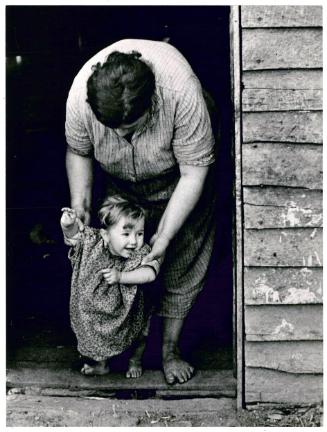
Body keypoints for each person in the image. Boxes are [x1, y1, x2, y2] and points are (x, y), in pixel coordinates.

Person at [65, 39, 217, 384]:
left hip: (181, 177)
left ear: (152, 104)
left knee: (182, 255)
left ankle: (170, 350)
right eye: (112, 130)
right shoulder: (80, 95)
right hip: (121, 184)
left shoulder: (181, 92)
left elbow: (194, 173)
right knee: (114, 258)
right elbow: (79, 152)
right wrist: (80, 216)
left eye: (129, 129)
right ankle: (111, 349)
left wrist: (160, 241)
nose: (120, 135)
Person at [61, 195, 160, 378]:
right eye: (126, 234)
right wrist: (68, 225)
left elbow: (150, 273)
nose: (133, 241)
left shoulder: (140, 252)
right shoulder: (94, 242)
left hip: (130, 310)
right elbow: (75, 237)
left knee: (139, 334)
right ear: (106, 234)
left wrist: (122, 276)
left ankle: (135, 360)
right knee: (94, 333)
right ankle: (101, 364)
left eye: (139, 233)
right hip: (96, 308)